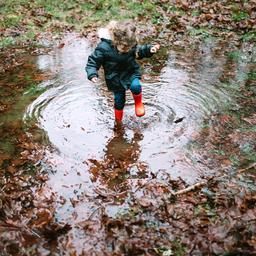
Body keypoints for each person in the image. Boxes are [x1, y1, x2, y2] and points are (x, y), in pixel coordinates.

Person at [85, 20, 160, 123]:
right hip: (115, 78)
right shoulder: (103, 48)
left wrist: (149, 49)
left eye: (130, 47)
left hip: (130, 71)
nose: (128, 49)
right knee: (119, 101)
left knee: (136, 86)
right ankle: (118, 122)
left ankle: (138, 103)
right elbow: (93, 61)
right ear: (116, 40)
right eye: (125, 47)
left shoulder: (129, 42)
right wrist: (92, 73)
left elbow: (138, 50)